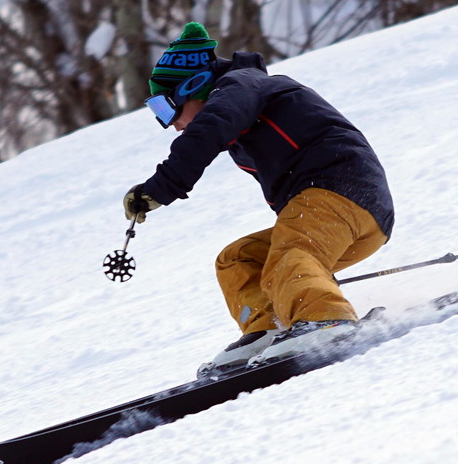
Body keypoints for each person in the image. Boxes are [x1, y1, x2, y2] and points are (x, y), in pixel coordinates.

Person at [123, 22, 395, 374]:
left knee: (291, 252)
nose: (170, 124)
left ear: (194, 86)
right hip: (335, 212)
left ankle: (326, 319)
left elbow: (210, 129)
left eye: (165, 108)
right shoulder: (242, 98)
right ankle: (269, 326)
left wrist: (160, 188)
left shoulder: (241, 86)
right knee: (238, 260)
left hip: (344, 192)